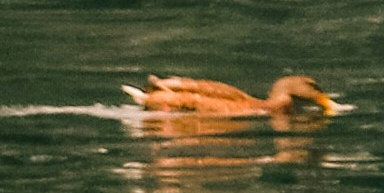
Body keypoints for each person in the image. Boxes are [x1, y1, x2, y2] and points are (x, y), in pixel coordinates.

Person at [129, 71, 335, 125]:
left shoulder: (252, 102)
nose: (318, 93)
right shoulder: (254, 105)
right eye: (314, 88)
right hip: (166, 101)